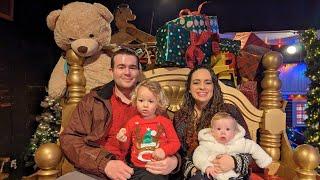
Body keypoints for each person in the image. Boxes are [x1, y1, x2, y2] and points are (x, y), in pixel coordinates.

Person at [59, 48, 178, 180]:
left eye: (132, 67)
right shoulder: (93, 100)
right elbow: (70, 139)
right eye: (121, 67)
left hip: (143, 168)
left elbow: (171, 139)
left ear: (138, 72)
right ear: (112, 71)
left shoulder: (153, 101)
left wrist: (174, 161)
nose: (127, 72)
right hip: (97, 170)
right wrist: (104, 164)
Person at [173, 65, 252, 180]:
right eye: (196, 83)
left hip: (229, 172)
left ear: (214, 87)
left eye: (207, 82)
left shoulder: (229, 111)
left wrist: (233, 162)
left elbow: (249, 148)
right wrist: (194, 170)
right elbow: (179, 155)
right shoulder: (180, 117)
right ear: (189, 89)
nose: (202, 87)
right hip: (198, 172)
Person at [116, 80, 181, 179]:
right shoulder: (132, 122)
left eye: (150, 101)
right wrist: (122, 140)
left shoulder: (165, 122)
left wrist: (164, 150)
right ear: (135, 100)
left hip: (157, 168)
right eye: (141, 100)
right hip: (136, 168)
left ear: (158, 103)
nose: (145, 105)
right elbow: (124, 148)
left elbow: (175, 143)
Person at [193, 112, 272, 180]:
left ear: (234, 132)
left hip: (234, 176)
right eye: (218, 129)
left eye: (227, 129)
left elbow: (253, 147)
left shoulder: (240, 142)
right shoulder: (207, 143)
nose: (223, 132)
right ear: (212, 131)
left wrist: (263, 160)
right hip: (213, 174)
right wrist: (206, 166)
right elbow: (198, 156)